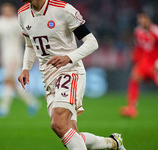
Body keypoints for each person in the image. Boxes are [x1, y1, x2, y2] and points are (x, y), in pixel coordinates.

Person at [18, 0, 126, 149]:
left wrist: (69, 57)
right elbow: (30, 45)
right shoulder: (22, 13)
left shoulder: (63, 9)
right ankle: (113, 143)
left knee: (58, 123)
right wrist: (25, 68)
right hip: (48, 78)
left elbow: (92, 42)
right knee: (70, 132)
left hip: (70, 71)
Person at [0, 2, 39, 116]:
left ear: (12, 9)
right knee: (11, 81)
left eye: (6, 9)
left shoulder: (18, 21)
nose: (4, 12)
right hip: (5, 54)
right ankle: (32, 102)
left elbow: (26, 38)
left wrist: (36, 50)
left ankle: (4, 108)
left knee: (8, 80)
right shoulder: (0, 21)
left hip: (15, 55)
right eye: (3, 10)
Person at [120, 13, 158, 118]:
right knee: (133, 79)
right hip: (143, 63)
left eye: (143, 19)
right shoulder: (138, 31)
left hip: (154, 64)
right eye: (139, 19)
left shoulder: (155, 31)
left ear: (149, 19)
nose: (141, 21)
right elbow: (139, 48)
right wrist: (135, 59)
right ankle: (131, 108)